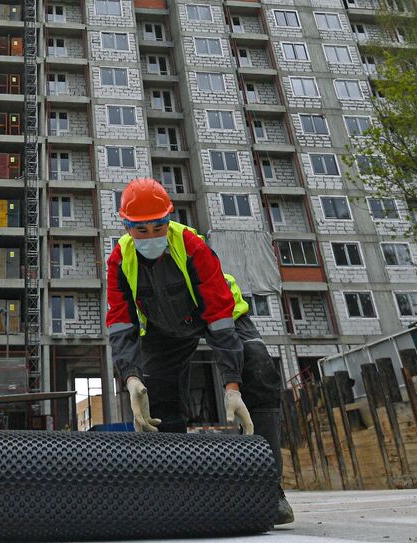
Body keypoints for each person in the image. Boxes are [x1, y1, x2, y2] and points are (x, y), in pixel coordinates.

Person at [105, 177, 294, 526]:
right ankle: (175, 493)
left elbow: (220, 317)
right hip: (164, 329)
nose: (149, 237)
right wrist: (131, 377)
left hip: (219, 315)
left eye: (157, 227)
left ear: (169, 218)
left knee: (259, 370)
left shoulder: (192, 245)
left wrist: (233, 387)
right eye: (140, 230)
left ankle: (269, 490)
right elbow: (120, 322)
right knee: (157, 399)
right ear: (126, 226)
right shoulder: (119, 259)